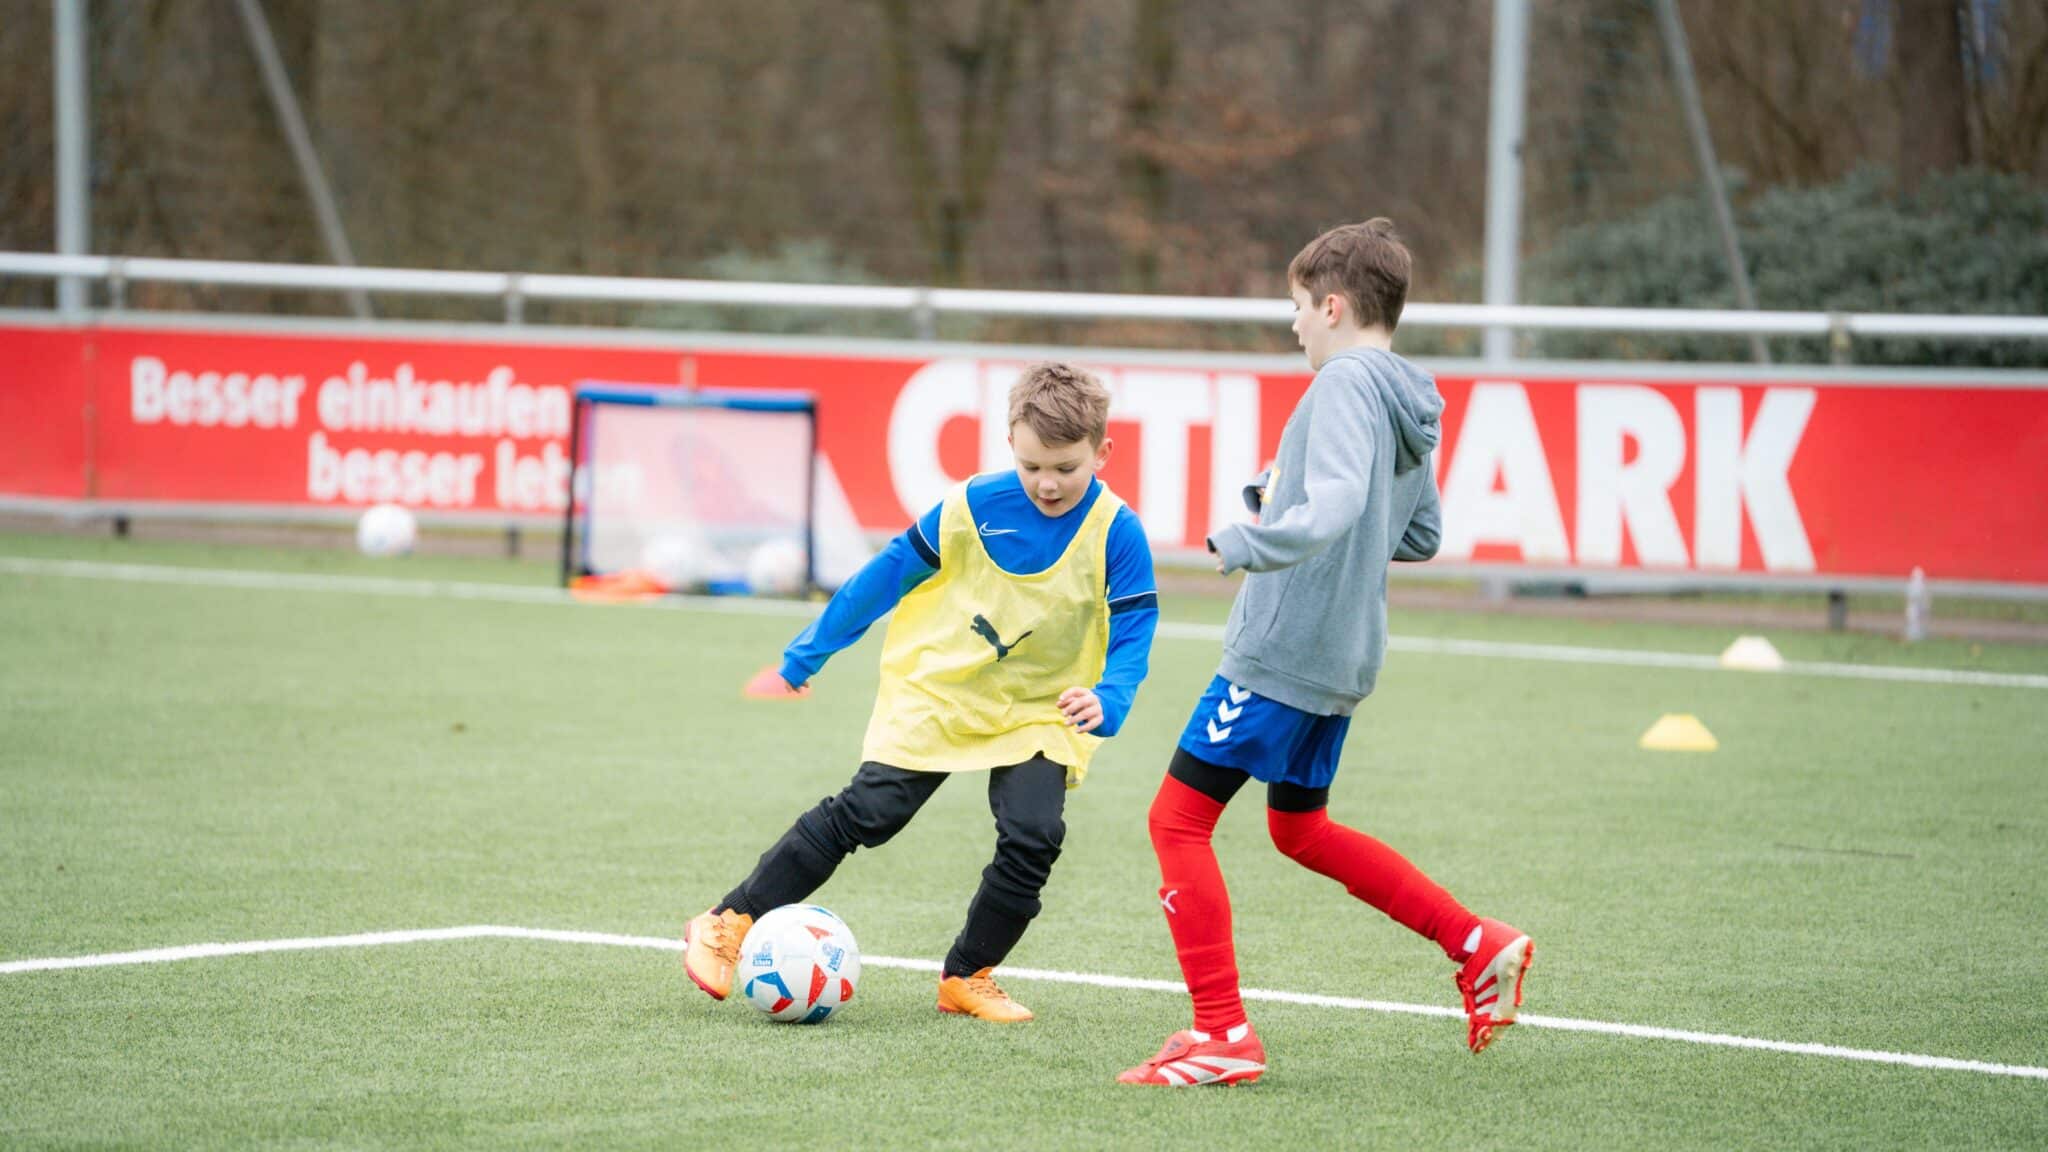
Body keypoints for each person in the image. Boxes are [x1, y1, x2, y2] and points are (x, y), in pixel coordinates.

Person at [1117, 219, 1532, 1087]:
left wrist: (1256, 537)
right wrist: (1290, 495)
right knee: (1299, 830)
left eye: (1298, 309)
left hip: (1284, 651)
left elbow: (1342, 501)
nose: (1295, 326)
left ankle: (1221, 1034)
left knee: (1176, 821)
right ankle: (1475, 942)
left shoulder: (1343, 382)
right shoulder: (1407, 397)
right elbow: (1417, 531)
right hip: (1341, 658)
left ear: (1334, 305)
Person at [682, 361, 1159, 1023]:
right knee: (870, 813)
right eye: (1031, 466)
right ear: (1011, 447)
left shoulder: (1119, 532)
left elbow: (1136, 623)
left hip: (1039, 707)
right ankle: (727, 921)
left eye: (1066, 468)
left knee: (1034, 833)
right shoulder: (972, 506)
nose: (1047, 483)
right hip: (942, 688)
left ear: (1102, 453)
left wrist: (1113, 695)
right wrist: (800, 661)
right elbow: (884, 577)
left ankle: (968, 975)